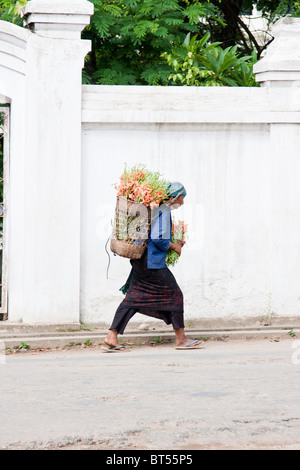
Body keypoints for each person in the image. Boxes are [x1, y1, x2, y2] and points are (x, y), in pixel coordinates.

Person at [103, 182, 202, 351]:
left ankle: (112, 336)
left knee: (134, 298)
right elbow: (158, 239)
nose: (183, 203)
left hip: (141, 260)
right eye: (182, 198)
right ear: (172, 198)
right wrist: (174, 246)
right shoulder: (163, 210)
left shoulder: (156, 209)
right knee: (175, 294)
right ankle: (181, 339)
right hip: (152, 263)